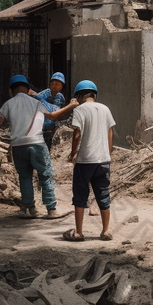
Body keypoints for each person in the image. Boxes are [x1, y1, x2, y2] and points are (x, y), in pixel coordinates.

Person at [0, 74, 77, 219]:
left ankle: (28, 209)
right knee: (45, 176)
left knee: (25, 176)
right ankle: (51, 209)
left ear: (12, 90)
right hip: (37, 144)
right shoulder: (36, 103)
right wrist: (71, 106)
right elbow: (53, 116)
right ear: (27, 89)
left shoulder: (8, 104)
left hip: (18, 146)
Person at [63, 80, 115, 243]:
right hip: (103, 160)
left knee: (80, 196)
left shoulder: (79, 110)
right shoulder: (105, 109)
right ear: (94, 94)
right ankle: (105, 231)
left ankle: (78, 233)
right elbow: (110, 133)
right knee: (103, 195)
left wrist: (73, 154)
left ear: (79, 96)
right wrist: (108, 152)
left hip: (85, 161)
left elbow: (77, 134)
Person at [30, 72, 67, 150]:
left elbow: (55, 110)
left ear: (62, 86)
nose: (54, 86)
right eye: (52, 83)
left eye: (57, 84)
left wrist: (39, 99)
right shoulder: (47, 92)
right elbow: (36, 98)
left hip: (52, 126)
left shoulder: (60, 97)